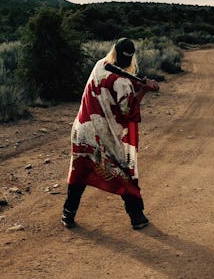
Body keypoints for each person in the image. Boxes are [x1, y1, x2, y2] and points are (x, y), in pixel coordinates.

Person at [62, 37, 160, 230]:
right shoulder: (122, 82)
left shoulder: (101, 65)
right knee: (123, 172)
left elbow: (112, 88)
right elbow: (128, 110)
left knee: (79, 171)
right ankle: (137, 217)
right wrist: (144, 90)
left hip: (83, 129)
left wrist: (138, 86)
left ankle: (68, 214)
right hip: (103, 134)